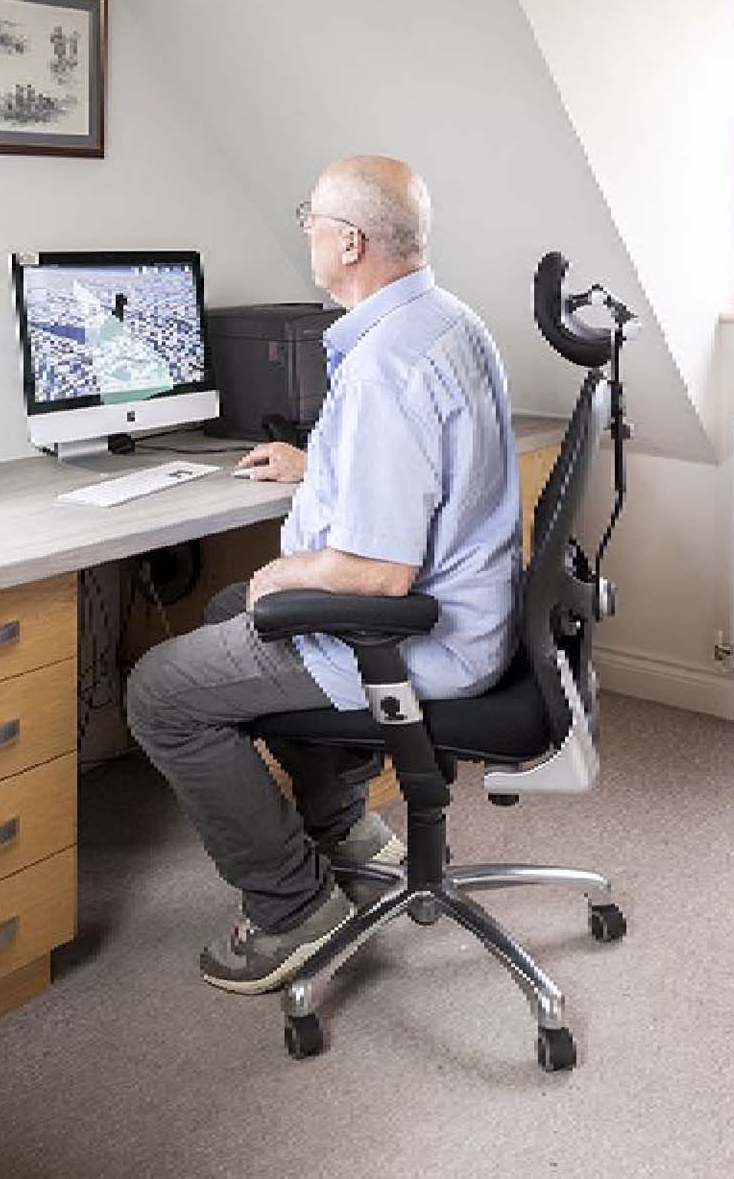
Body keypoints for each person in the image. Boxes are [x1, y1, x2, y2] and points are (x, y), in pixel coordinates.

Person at [124, 155, 521, 993]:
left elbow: (377, 574)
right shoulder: (444, 321)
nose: (304, 227)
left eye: (312, 216)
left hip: (417, 634)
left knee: (161, 690)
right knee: (228, 606)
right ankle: (343, 826)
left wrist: (287, 574)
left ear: (349, 242)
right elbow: (425, 467)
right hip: (471, 611)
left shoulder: (383, 367)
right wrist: (323, 467)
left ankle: (292, 907)